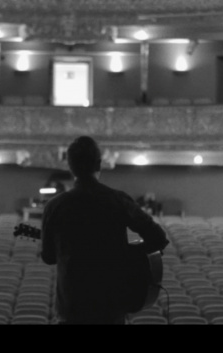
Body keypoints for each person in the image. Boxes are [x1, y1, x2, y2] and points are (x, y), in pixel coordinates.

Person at [41, 136, 169, 324]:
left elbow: (49, 257)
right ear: (99, 164)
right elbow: (158, 238)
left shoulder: (54, 206)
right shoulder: (118, 200)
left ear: (70, 166)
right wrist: (127, 253)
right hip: (110, 306)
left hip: (72, 307)